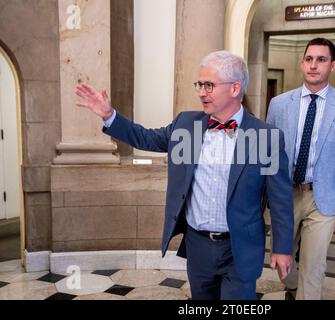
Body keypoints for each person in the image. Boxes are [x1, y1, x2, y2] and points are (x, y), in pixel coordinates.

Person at [75, 51, 293, 300]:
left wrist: (282, 248)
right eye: (199, 84)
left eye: (209, 85)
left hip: (240, 248)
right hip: (198, 246)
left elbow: (280, 199)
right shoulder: (186, 124)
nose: (201, 92)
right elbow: (145, 137)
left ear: (235, 89)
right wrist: (108, 115)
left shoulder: (267, 137)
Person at [266, 38, 335, 300]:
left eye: (321, 60)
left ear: (332, 66)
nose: (313, 65)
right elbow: (268, 154)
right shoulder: (279, 104)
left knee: (314, 264)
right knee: (281, 260)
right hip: (285, 194)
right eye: (309, 59)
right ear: (302, 63)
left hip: (323, 197)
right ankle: (293, 287)